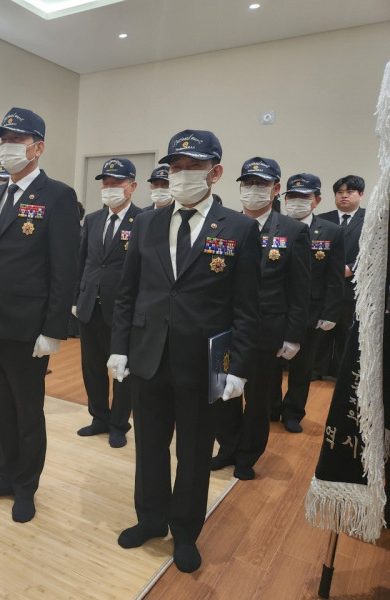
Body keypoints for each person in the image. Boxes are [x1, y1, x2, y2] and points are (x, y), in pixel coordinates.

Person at [108, 130, 260, 572]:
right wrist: (119, 347)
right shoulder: (147, 222)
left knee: (193, 453)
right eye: (176, 167)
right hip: (148, 356)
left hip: (203, 361)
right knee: (149, 445)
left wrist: (238, 368)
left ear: (215, 172)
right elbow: (128, 292)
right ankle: (151, 519)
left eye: (193, 167)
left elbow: (246, 308)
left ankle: (186, 531)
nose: (182, 175)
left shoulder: (239, 228)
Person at [0, 107, 79, 523]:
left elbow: (64, 268)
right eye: (4, 140)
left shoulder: (58, 196)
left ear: (38, 147)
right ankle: (4, 475)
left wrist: (53, 328)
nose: (7, 147)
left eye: (16, 140)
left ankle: (26, 486)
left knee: (27, 412)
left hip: (28, 326)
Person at [212, 160, 310, 479]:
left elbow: (300, 289)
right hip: (225, 327)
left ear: (276, 188)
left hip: (266, 330)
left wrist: (293, 335)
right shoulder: (224, 225)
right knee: (223, 392)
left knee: (257, 399)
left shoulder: (293, 231)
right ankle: (227, 447)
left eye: (261, 184)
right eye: (248, 183)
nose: (253, 190)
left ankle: (247, 455)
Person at [73, 158, 142, 448]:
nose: (109, 188)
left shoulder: (143, 220)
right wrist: (76, 298)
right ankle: (99, 417)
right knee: (92, 368)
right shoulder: (93, 219)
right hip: (91, 306)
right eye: (106, 183)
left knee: (122, 370)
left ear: (132, 186)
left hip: (123, 311)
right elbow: (83, 261)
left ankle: (118, 423)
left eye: (116, 183)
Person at [270, 173, 344, 430]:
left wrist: (330, 313)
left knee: (302, 367)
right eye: (292, 196)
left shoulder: (331, 231)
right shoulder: (272, 226)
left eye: (304, 196)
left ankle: (293, 412)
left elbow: (335, 277)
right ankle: (271, 407)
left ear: (317, 200)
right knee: (270, 364)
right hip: (275, 308)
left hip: (310, 311)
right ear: (284, 198)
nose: (297, 201)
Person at [317, 175, 366, 376]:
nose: (344, 196)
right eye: (340, 192)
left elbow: (374, 252)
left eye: (350, 192)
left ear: (360, 194)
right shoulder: (322, 219)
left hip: (352, 285)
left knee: (346, 331)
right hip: (324, 285)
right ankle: (316, 370)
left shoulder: (370, 220)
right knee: (320, 332)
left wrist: (352, 268)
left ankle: (341, 374)